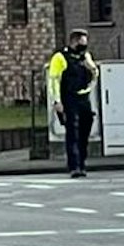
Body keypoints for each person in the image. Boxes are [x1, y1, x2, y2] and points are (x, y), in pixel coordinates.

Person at [47, 29, 99, 178]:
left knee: (85, 132)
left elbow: (94, 74)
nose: (85, 45)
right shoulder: (60, 57)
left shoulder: (85, 56)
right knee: (73, 133)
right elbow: (54, 80)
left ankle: (82, 163)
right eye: (82, 42)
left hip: (84, 99)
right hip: (68, 99)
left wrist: (91, 69)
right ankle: (74, 166)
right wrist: (57, 101)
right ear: (74, 41)